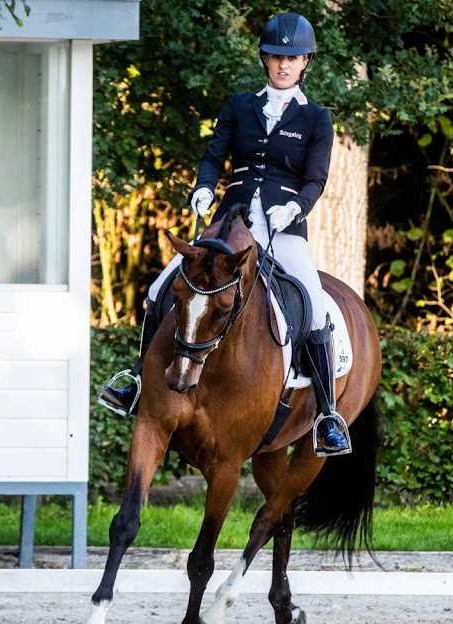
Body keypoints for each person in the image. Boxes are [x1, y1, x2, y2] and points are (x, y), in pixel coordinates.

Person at [99, 12, 350, 455]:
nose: (283, 65)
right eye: (275, 57)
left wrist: (295, 206)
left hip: (283, 227)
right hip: (229, 224)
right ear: (264, 59)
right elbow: (214, 157)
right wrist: (201, 188)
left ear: (306, 61)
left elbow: (315, 179)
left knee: (312, 306)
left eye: (292, 58)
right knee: (161, 287)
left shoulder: (317, 118)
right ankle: (136, 381)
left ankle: (327, 414)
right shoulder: (238, 106)